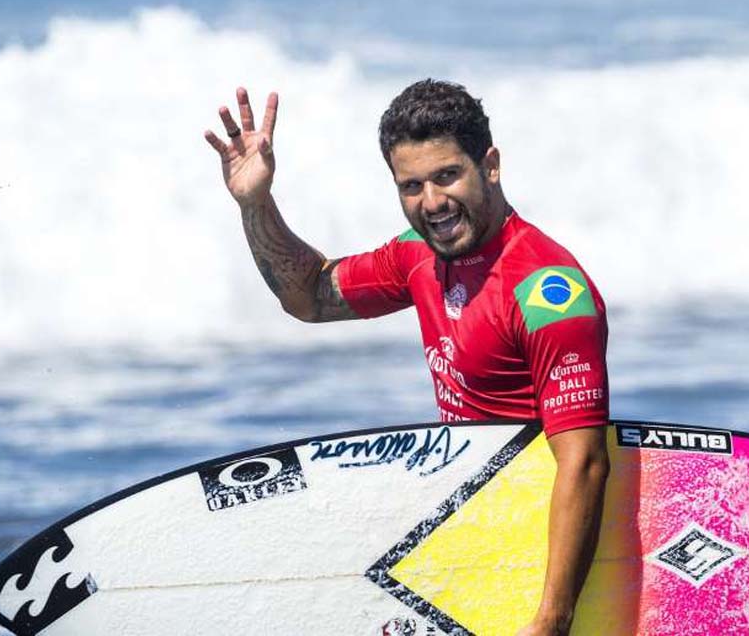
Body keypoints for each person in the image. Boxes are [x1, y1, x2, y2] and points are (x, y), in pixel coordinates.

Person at [204, 79, 610, 636]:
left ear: (489, 165)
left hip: (536, 555)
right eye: (411, 185)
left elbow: (584, 462)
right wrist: (257, 204)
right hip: (468, 532)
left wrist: (551, 621)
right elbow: (310, 297)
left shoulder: (548, 293)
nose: (433, 203)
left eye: (447, 176)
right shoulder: (417, 255)